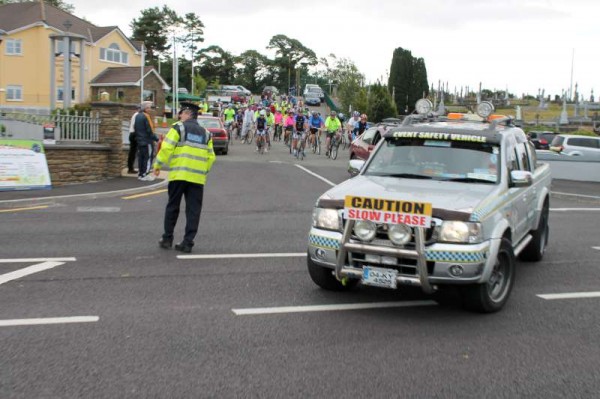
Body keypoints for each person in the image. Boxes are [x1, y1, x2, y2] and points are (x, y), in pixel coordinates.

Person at [153, 102, 216, 253]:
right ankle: (188, 242)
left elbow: (167, 147)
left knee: (173, 206)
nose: (179, 115)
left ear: (188, 113)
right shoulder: (206, 133)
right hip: (197, 178)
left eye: (181, 112)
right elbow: (211, 157)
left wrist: (158, 165)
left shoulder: (178, 128)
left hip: (179, 175)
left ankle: (167, 238)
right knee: (193, 210)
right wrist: (203, 170)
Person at [134, 101, 158, 181]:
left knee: (141, 158)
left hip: (139, 140)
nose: (150, 109)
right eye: (149, 108)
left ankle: (140, 174)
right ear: (146, 108)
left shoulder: (137, 116)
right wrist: (156, 139)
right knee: (148, 158)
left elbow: (135, 128)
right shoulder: (146, 116)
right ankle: (145, 174)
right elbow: (149, 130)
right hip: (147, 141)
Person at [127, 105, 140, 174]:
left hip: (132, 134)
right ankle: (130, 168)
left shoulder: (135, 115)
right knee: (133, 152)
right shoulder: (137, 115)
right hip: (134, 134)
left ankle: (130, 168)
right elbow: (135, 126)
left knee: (132, 152)